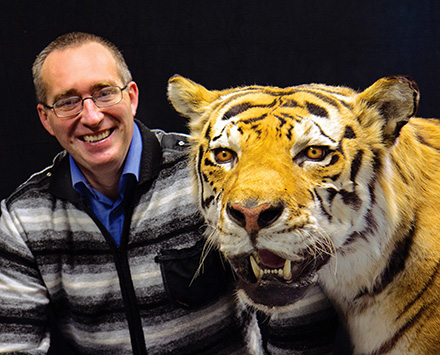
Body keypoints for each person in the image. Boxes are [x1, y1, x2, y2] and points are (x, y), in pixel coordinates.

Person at [0, 32, 340, 354]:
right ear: (46, 119)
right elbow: (13, 344)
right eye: (68, 101)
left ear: (131, 97)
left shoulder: (209, 173)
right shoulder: (22, 219)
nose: (91, 116)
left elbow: (300, 303)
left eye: (104, 93)